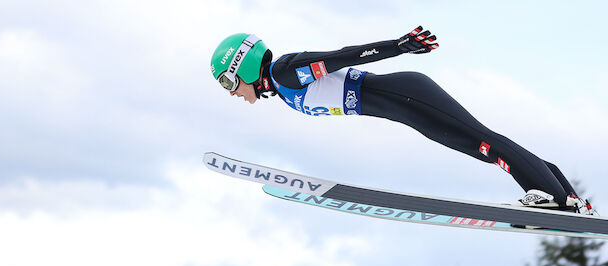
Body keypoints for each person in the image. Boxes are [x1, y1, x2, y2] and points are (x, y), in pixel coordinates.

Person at [210, 27, 596, 215]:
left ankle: (556, 198)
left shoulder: (286, 73)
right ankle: (566, 194)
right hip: (405, 107)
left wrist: (399, 46)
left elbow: (345, 55)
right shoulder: (283, 86)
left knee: (482, 141)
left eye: (228, 80)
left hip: (408, 95)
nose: (231, 92)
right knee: (480, 145)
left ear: (241, 66)